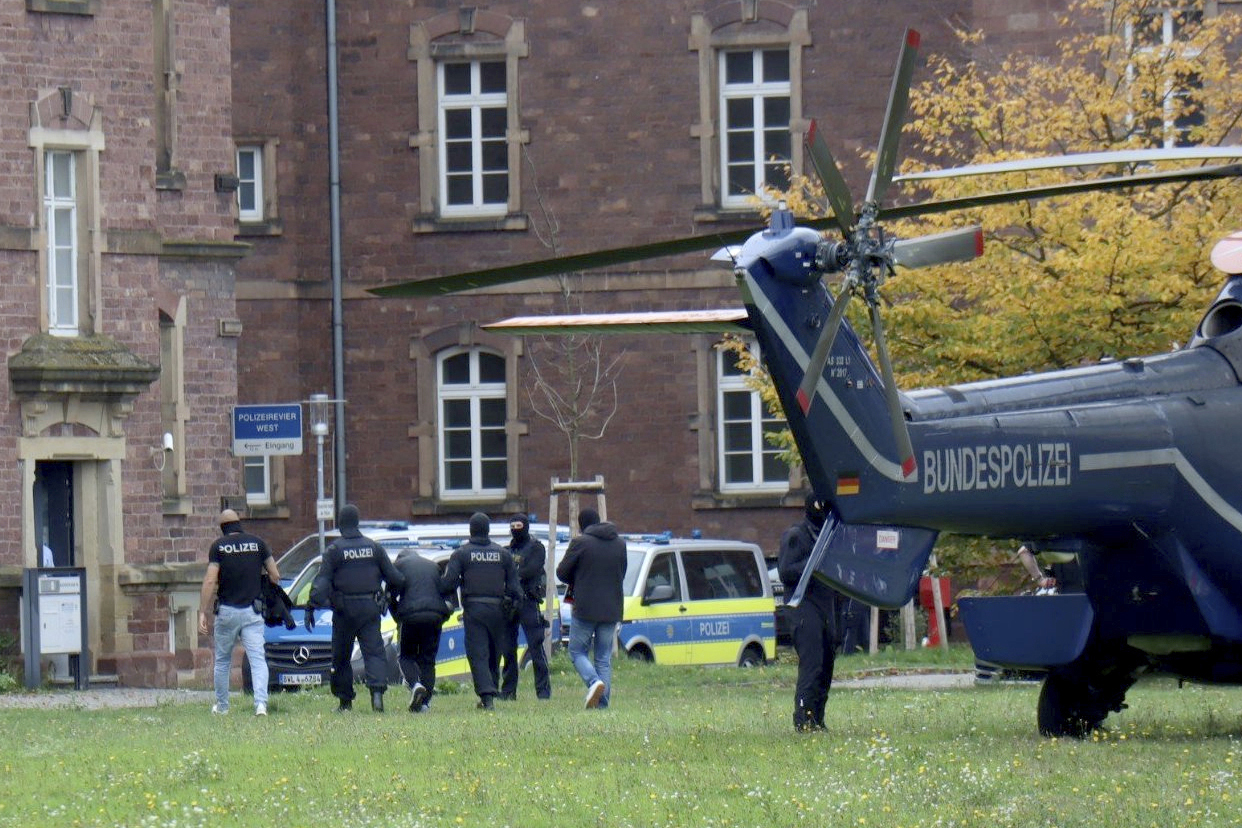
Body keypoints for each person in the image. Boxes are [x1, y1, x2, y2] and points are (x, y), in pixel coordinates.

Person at [307, 504, 405, 713]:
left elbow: (323, 581)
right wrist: (388, 595)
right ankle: (377, 697)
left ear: (340, 524)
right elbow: (396, 577)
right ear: (357, 522)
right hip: (370, 607)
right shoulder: (374, 548)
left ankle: (345, 702)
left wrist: (312, 604)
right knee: (374, 653)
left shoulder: (335, 550)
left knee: (341, 656)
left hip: (344, 611)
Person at [197, 509, 281, 716]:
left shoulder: (218, 547)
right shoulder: (258, 543)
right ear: (239, 523)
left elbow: (210, 580)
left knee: (223, 660)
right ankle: (261, 704)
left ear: (222, 528)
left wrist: (202, 611)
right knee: (257, 659)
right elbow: (275, 575)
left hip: (227, 611)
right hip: (253, 612)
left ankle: (223, 706)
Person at [439, 512, 522, 710]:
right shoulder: (503, 554)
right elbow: (515, 589)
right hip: (499, 610)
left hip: (474, 609)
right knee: (494, 652)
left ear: (471, 530)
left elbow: (447, 583)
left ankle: (487, 697)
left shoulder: (461, 554)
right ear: (488, 530)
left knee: (478, 653)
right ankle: (491, 688)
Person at [556, 508, 627, 709]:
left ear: (581, 524)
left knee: (577, 651)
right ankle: (602, 705)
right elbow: (621, 572)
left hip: (585, 608)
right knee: (604, 658)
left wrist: (579, 577)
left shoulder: (580, 543)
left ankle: (593, 682)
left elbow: (562, 573)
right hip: (612, 607)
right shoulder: (620, 544)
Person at [777, 493, 836, 732]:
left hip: (825, 604)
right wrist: (813, 563)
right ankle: (803, 718)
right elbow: (785, 572)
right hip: (802, 606)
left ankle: (818, 717)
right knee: (811, 662)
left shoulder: (829, 535)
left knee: (826, 661)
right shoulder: (797, 536)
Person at [389, 548, 453, 713]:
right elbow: (444, 591)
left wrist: (397, 615)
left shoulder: (398, 566)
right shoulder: (432, 566)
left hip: (410, 616)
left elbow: (391, 595)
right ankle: (425, 704)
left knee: (406, 656)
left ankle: (415, 684)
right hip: (434, 616)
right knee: (428, 660)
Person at [499, 513, 552, 701]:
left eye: (519, 525)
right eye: (512, 526)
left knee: (536, 647)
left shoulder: (536, 548)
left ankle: (543, 692)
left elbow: (531, 569)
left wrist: (512, 576)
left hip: (528, 601)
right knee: (508, 649)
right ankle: (508, 691)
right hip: (510, 602)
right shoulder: (506, 550)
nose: (515, 529)